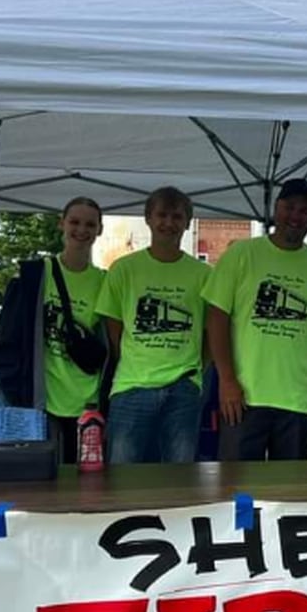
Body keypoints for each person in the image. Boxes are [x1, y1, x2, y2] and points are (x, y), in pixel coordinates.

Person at [202, 178, 307, 461]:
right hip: (243, 398)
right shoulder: (241, 254)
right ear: (276, 209)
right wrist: (227, 380)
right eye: (289, 207)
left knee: (287, 494)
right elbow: (216, 318)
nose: (295, 216)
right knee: (236, 490)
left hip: (297, 401)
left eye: (304, 210)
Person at [95, 187, 210, 464]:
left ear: (187, 222)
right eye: (161, 215)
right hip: (131, 385)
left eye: (176, 216)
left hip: (184, 387)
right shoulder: (123, 269)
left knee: (179, 475)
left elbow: (211, 332)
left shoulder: (204, 274)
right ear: (148, 218)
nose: (168, 223)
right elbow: (113, 327)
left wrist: (196, 371)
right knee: (122, 472)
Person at [0, 196, 108, 463]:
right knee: (44, 479)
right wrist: (12, 389)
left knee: (86, 482)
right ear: (61, 224)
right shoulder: (33, 276)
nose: (82, 230)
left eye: (90, 224)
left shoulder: (105, 281)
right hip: (42, 402)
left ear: (99, 230)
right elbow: (7, 338)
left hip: (89, 402)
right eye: (75, 222)